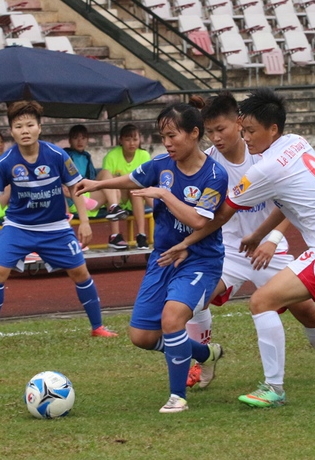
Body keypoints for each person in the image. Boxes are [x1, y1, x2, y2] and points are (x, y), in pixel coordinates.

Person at [160, 88, 315, 408]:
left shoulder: (264, 167)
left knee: (262, 301)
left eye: (248, 131)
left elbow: (220, 215)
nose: (244, 137)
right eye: (243, 130)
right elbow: (287, 200)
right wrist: (259, 234)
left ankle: (274, 388)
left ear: (271, 129)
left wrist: (186, 240)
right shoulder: (296, 141)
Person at [184, 93, 315, 390]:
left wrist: (271, 238)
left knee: (304, 310)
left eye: (221, 129)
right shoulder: (210, 165)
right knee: (195, 297)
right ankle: (204, 360)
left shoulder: (264, 153)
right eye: (209, 131)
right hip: (230, 250)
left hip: (270, 249)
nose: (215, 138)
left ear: (239, 124)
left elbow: (295, 204)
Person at [75, 97, 228, 414]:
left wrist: (163, 193)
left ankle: (177, 397)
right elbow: (133, 179)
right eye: (163, 137)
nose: (167, 143)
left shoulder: (215, 175)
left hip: (199, 260)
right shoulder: (161, 165)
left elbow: (200, 220)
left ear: (194, 134)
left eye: (173, 136)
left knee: (171, 319)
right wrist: (96, 183)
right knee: (142, 336)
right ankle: (204, 353)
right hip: (163, 258)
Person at [0, 101, 118, 347]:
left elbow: (75, 188)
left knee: (80, 272)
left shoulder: (57, 155)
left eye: (30, 124)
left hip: (56, 228)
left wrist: (84, 222)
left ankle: (98, 326)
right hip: (18, 227)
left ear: (40, 127)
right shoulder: (6, 161)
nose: (25, 130)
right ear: (12, 131)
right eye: (18, 126)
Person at [65, 124, 130, 250]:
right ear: (70, 140)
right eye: (76, 138)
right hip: (75, 199)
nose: (80, 141)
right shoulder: (66, 155)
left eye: (83, 138)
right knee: (110, 184)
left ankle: (114, 209)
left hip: (89, 197)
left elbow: (92, 180)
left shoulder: (87, 156)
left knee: (108, 178)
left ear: (87, 140)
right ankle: (115, 234)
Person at [102, 124, 153, 250]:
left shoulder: (144, 156)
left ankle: (141, 235)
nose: (132, 143)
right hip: (117, 195)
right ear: (120, 140)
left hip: (137, 195)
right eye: (128, 139)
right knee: (112, 188)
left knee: (136, 189)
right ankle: (115, 236)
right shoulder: (111, 156)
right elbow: (106, 180)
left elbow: (147, 180)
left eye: (135, 139)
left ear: (140, 140)